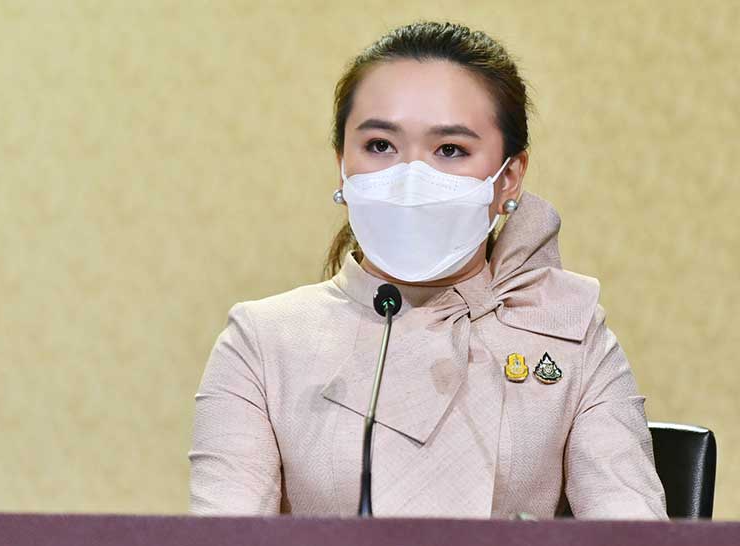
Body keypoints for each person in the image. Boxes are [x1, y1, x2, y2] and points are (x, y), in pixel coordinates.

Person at [188, 21, 667, 519]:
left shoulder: (568, 331)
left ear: (509, 177)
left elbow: (631, 528)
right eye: (380, 145)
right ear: (342, 166)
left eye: (450, 150)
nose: (410, 179)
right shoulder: (262, 342)